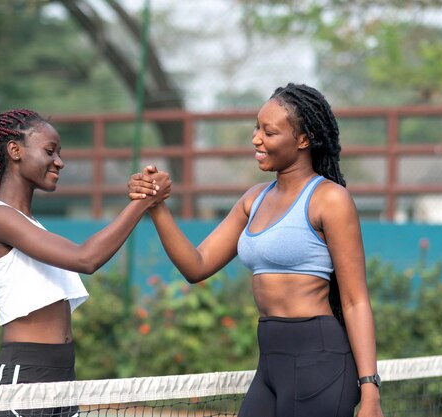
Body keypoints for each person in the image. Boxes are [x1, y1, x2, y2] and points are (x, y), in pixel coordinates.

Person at [128, 84, 383, 417]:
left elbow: (355, 300)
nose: (256, 138)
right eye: (256, 127)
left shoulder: (330, 199)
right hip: (270, 362)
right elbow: (197, 265)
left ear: (303, 140)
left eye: (269, 131)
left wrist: (370, 389)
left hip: (319, 359)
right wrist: (157, 206)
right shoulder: (254, 199)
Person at [0, 109, 171, 417]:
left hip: (62, 380)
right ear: (15, 150)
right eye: (50, 151)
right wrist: (143, 202)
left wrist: (143, 199)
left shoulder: (31, 224)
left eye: (59, 153)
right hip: (22, 381)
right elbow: (86, 258)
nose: (59, 161)